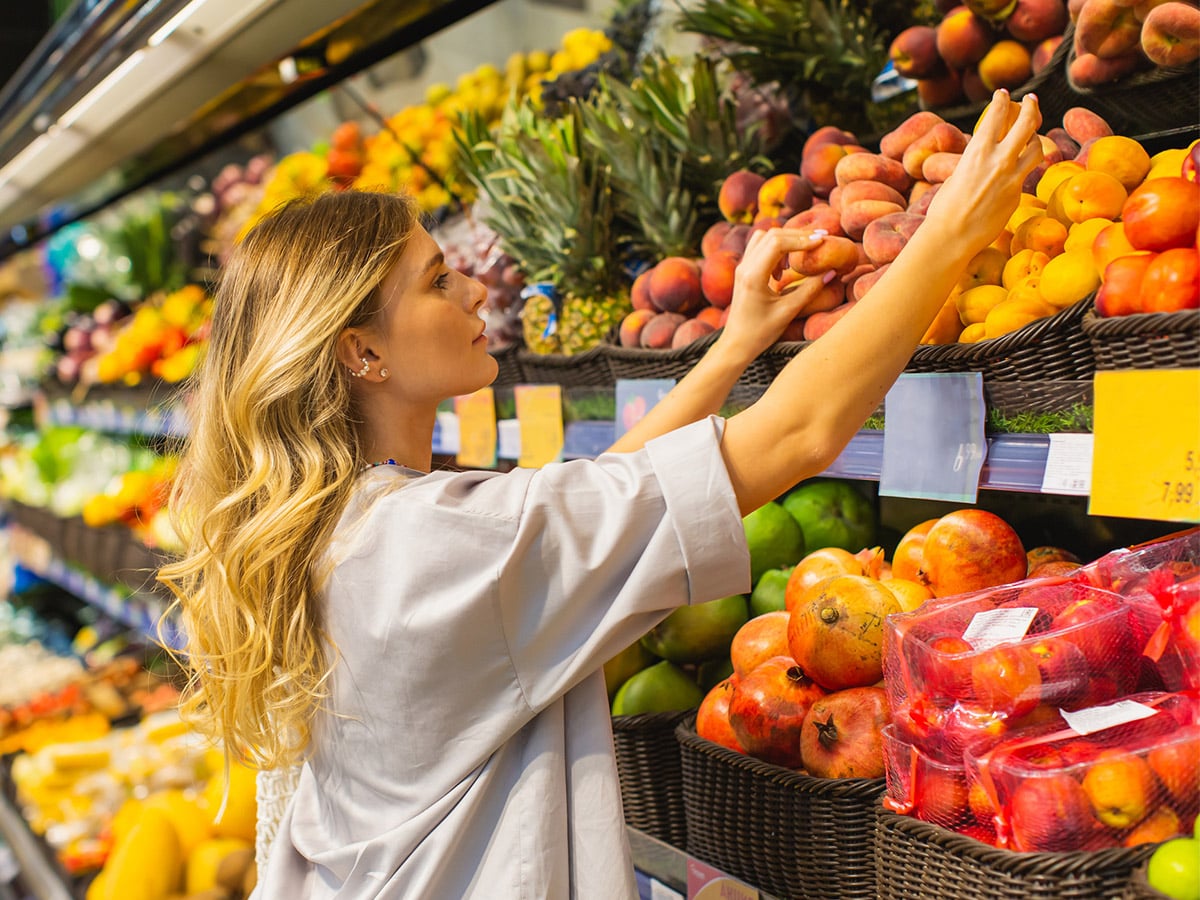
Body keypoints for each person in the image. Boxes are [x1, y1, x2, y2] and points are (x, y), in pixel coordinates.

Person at [158, 90, 1042, 898]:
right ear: (363, 354)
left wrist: (731, 350)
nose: (473, 286)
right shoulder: (431, 547)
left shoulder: (349, 529)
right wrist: (950, 234)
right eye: (435, 280)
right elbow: (797, 437)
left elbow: (594, 499)